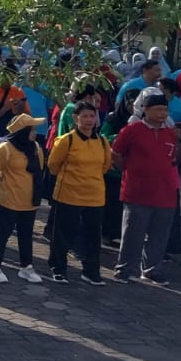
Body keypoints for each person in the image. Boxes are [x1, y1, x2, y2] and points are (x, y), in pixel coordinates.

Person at [109, 91, 180, 284]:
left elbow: (174, 158)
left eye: (165, 109)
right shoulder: (132, 130)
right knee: (133, 232)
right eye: (157, 109)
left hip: (165, 193)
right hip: (137, 191)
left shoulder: (170, 133)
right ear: (145, 110)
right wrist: (127, 168)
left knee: (159, 235)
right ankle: (124, 268)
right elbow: (115, 153)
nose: (162, 113)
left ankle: (151, 269)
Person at [46, 101, 109, 285]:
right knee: (63, 233)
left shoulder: (103, 142)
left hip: (95, 196)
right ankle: (58, 268)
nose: (89, 120)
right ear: (76, 118)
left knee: (92, 236)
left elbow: (105, 166)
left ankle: (91, 271)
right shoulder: (67, 140)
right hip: (69, 193)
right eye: (85, 116)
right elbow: (53, 165)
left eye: (92, 116)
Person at [0, 113, 46, 283]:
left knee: (26, 234)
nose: (34, 132)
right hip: (9, 199)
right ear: (22, 131)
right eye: (31, 129)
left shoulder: (36, 147)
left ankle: (26, 267)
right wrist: (4, 184)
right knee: (3, 233)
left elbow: (39, 169)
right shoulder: (5, 149)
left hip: (30, 200)